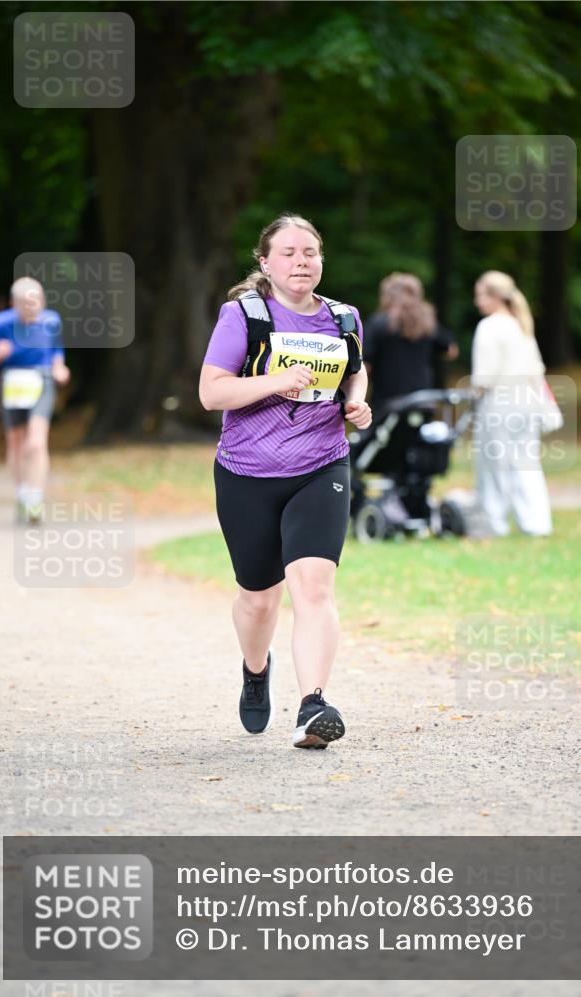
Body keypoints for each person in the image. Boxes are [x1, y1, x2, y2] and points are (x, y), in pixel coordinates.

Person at [199, 213, 371, 749]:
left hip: (322, 465)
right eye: (290, 253)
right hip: (247, 472)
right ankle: (256, 669)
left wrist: (358, 400)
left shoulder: (344, 318)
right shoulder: (242, 316)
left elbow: (355, 368)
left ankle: (313, 705)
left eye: (311, 253)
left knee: (313, 589)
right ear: (266, 262)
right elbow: (212, 393)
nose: (302, 262)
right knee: (259, 599)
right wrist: (276, 380)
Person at [471, 270, 552, 537]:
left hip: (500, 402)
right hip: (527, 400)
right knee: (527, 463)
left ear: (494, 296)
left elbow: (484, 375)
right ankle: (537, 523)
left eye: (480, 295)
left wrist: (475, 399)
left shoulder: (490, 326)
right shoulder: (521, 324)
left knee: (493, 465)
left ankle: (494, 523)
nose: (476, 301)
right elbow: (536, 368)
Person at [0, 277, 70, 523]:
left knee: (36, 442)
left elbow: (56, 352)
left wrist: (60, 368)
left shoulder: (51, 321)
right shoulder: (1, 324)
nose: (34, 309)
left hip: (41, 381)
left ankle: (35, 497)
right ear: (15, 304)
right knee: (16, 441)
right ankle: (22, 493)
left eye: (38, 303)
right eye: (27, 305)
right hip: (12, 383)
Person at [364, 272, 459, 410]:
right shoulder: (428, 323)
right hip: (423, 399)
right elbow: (451, 351)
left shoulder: (379, 323)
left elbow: (366, 365)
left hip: (388, 402)